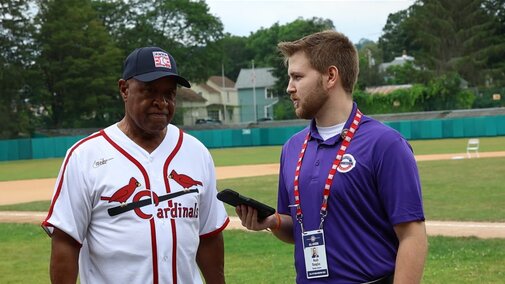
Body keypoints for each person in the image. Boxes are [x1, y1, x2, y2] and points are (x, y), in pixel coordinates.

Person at [236, 30, 428, 283]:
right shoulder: (292, 148)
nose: (289, 88)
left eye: (297, 77)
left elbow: (412, 237)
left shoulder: (386, 144)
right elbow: (296, 228)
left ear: (330, 76)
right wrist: (272, 221)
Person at [42, 46, 229, 284]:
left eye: (169, 94)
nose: (161, 102)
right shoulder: (85, 156)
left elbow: (209, 235)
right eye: (149, 91)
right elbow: (66, 242)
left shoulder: (196, 152)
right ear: (124, 89)